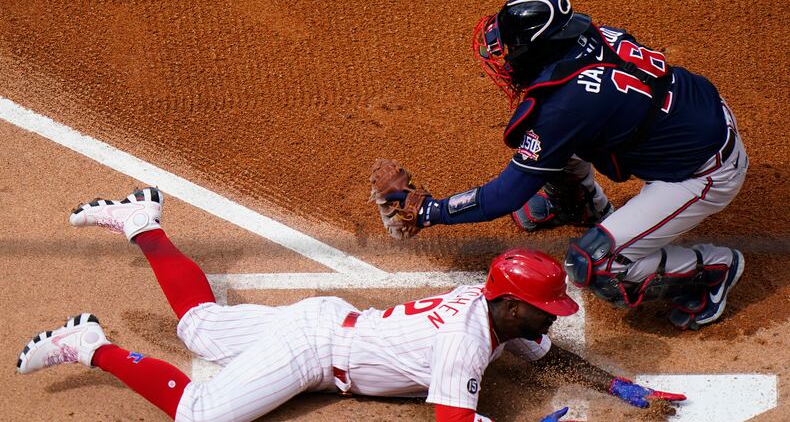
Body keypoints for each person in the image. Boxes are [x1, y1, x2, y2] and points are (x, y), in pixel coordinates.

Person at [17, 187, 684, 421]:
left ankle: (144, 223)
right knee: (199, 413)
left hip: (324, 321)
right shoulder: (466, 344)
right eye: (546, 310)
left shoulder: (487, 304)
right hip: (313, 350)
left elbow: (548, 355)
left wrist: (619, 385)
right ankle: (92, 341)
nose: (552, 317)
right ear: (513, 307)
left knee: (198, 326)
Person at [388, 0, 748, 330]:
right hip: (695, 119)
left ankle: (713, 270)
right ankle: (576, 204)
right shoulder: (591, 36)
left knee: (593, 264)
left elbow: (506, 195)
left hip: (702, 172)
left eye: (511, 49)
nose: (505, 59)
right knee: (552, 145)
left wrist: (429, 211)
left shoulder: (567, 104)